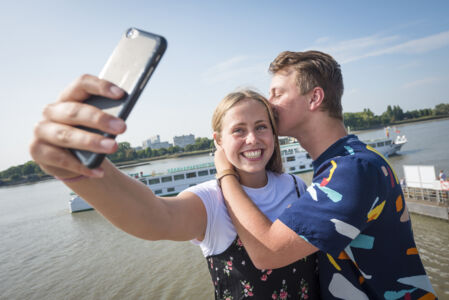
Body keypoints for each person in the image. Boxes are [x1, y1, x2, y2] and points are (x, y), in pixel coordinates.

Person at [29, 79, 320, 299]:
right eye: (238, 130)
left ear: (273, 132)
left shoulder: (294, 185)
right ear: (218, 141)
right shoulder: (210, 200)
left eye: (261, 127)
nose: (252, 139)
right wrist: (80, 170)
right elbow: (156, 217)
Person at [214, 51, 436, 299]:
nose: (269, 102)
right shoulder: (350, 162)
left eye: (277, 93)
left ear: (314, 98)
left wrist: (225, 173)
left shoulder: (351, 171)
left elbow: (268, 252)